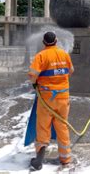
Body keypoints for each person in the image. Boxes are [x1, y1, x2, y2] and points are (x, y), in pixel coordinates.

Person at [28, 31, 74, 170]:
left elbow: (32, 75)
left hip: (47, 98)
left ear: (44, 42)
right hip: (63, 97)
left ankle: (39, 160)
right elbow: (71, 71)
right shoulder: (64, 54)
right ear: (56, 41)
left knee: (43, 128)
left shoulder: (41, 56)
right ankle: (65, 159)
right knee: (62, 127)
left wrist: (36, 83)